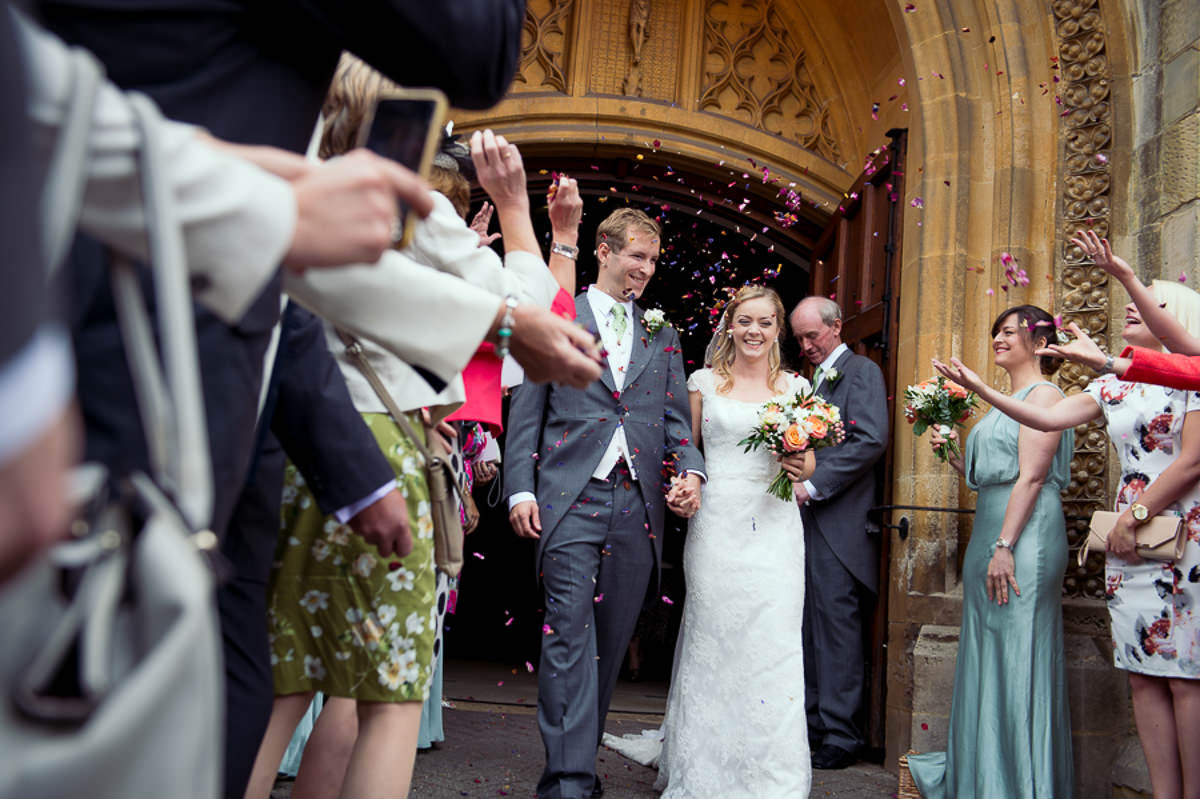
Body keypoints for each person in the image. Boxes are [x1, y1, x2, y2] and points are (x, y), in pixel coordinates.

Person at [242, 53, 564, 799]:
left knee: (286, 683)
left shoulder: (287, 183)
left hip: (296, 440)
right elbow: (527, 317)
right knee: (386, 695)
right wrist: (515, 208)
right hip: (387, 449)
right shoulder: (417, 208)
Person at [935, 291, 1200, 799]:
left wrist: (1135, 515)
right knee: (1142, 672)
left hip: (1174, 532)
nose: (1130, 309)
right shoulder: (1113, 385)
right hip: (1125, 540)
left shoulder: (1191, 381)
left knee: (1184, 675)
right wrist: (974, 391)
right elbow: (1039, 429)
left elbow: (1035, 475)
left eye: (1147, 306)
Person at [505, 207, 706, 799]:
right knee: (567, 637)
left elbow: (674, 422)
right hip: (570, 497)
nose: (644, 268)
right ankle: (568, 781)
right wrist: (520, 485)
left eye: (652, 259)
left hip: (637, 505)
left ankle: (577, 764)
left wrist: (692, 471)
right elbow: (528, 408)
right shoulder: (562, 312)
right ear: (604, 251)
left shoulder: (662, 332)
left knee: (610, 643)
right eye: (635, 255)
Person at [907, 304, 1075, 799]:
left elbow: (1033, 475)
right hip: (991, 530)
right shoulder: (1006, 401)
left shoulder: (1045, 395)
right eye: (996, 332)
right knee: (988, 658)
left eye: (1010, 332)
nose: (999, 339)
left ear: (1039, 343)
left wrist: (1006, 545)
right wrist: (954, 452)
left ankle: (1022, 785)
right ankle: (986, 780)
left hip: (1024, 538)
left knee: (1019, 655)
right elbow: (989, 478)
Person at [654, 286, 814, 797]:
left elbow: (808, 462)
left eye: (765, 323)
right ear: (730, 325)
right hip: (718, 525)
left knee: (772, 646)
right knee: (716, 638)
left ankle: (773, 776)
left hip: (775, 527)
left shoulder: (796, 387)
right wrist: (683, 484)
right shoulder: (703, 383)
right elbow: (684, 448)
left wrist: (798, 462)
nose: (754, 331)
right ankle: (704, 771)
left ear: (777, 329)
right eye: (745, 321)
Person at [783, 296, 887, 769]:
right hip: (802, 525)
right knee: (805, 627)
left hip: (838, 524)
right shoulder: (806, 384)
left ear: (837, 327)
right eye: (799, 338)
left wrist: (813, 484)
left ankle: (843, 735)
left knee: (837, 630)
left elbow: (870, 440)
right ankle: (809, 724)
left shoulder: (861, 372)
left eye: (813, 336)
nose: (806, 346)